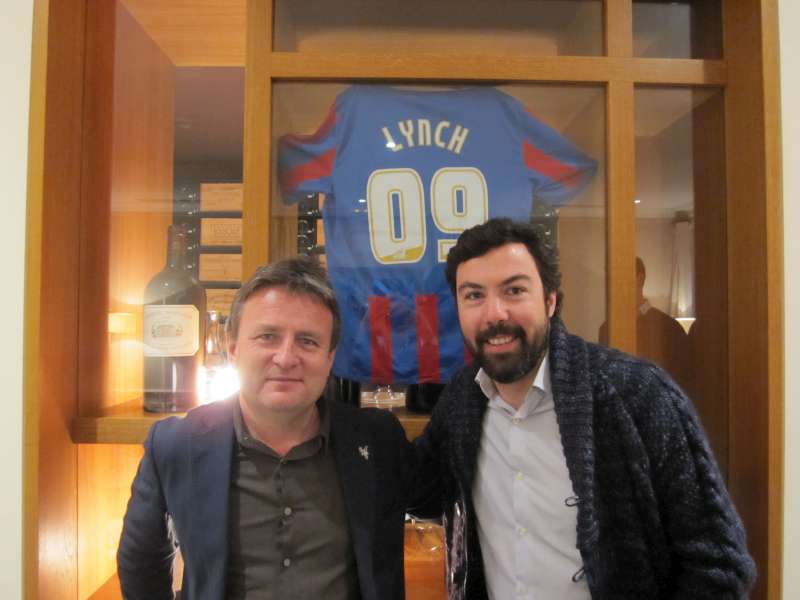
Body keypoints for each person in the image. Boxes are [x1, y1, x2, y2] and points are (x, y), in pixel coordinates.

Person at [413, 218, 756, 599]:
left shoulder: (638, 395)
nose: (494, 313)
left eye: (514, 290)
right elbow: (411, 487)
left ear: (550, 299)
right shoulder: (462, 401)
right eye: (473, 295)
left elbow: (718, 566)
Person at [118, 257, 413, 600]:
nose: (286, 357)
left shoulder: (378, 442)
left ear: (330, 358)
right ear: (233, 349)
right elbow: (140, 562)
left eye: (307, 341)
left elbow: (447, 494)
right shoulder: (175, 445)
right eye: (268, 336)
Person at [598, 256, 691, 390]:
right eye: (610, 279)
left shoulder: (669, 328)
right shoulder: (606, 329)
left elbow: (683, 383)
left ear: (640, 279)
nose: (614, 284)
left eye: (620, 277)